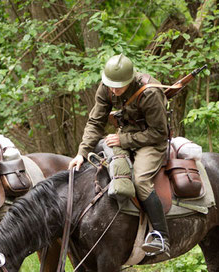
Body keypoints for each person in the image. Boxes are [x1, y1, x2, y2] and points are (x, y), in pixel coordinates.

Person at [68, 54, 170, 256]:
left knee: (140, 181)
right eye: (111, 86)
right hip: (124, 135)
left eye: (118, 87)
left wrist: (124, 141)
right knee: (94, 165)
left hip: (151, 142)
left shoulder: (149, 93)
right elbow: (96, 121)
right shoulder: (107, 86)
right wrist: (82, 153)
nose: (113, 90)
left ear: (130, 80)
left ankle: (161, 235)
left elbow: (160, 133)